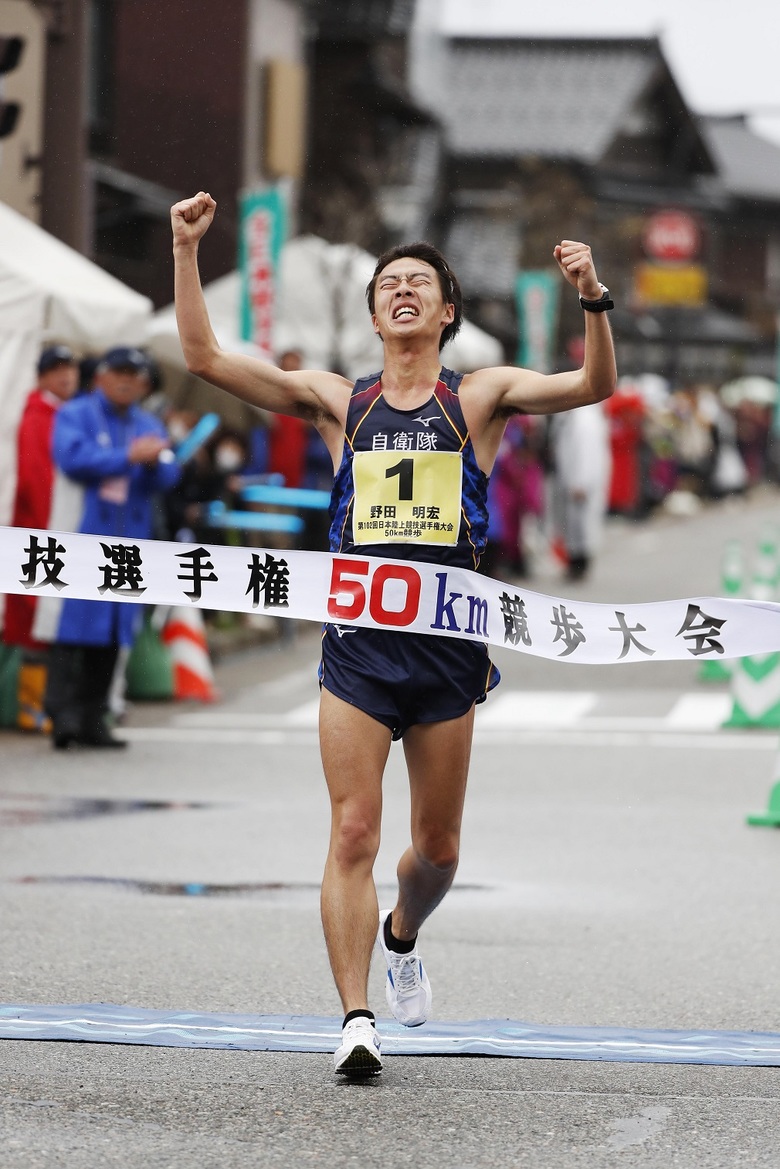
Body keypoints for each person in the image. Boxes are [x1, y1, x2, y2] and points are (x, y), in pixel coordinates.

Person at [171, 191, 617, 1077]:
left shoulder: (478, 397)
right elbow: (204, 356)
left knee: (439, 850)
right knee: (351, 833)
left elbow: (594, 386)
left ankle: (403, 930)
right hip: (360, 650)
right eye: (390, 284)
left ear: (448, 312)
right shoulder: (338, 402)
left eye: (421, 282)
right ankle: (356, 1016)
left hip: (448, 653)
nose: (403, 291)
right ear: (375, 313)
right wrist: (185, 250)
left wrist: (592, 299)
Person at [43, 346, 181, 749]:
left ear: (142, 384)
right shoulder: (76, 414)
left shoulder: (147, 422)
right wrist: (127, 457)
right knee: (74, 630)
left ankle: (94, 717)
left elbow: (169, 473)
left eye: (133, 375)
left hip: (129, 543)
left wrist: (155, 463)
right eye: (118, 372)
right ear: (100, 377)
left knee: (114, 633)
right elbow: (72, 458)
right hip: (83, 539)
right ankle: (63, 717)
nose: (125, 381)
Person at [4, 346, 79, 730]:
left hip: (52, 527)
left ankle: (40, 703)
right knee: (36, 620)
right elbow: (36, 480)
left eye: (70, 370)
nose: (66, 377)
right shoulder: (38, 416)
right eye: (58, 370)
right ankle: (30, 705)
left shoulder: (62, 413)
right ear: (42, 376)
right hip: (39, 529)